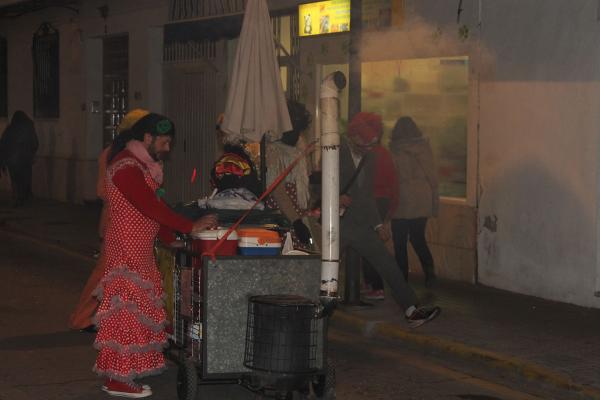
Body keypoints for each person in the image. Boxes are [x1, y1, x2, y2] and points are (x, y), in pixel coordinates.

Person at [93, 112, 217, 398]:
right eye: (164, 142)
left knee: (135, 315)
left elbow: (153, 212)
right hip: (126, 252)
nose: (168, 148)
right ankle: (118, 379)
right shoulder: (125, 166)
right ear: (147, 138)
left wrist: (172, 239)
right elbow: (148, 205)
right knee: (126, 315)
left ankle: (123, 375)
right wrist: (189, 225)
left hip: (139, 251)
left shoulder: (141, 165)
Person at [339, 112, 440, 328]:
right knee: (322, 270)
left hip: (360, 224)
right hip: (336, 224)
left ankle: (411, 310)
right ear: (354, 134)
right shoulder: (335, 151)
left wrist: (378, 224)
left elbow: (366, 195)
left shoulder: (371, 156)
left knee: (387, 263)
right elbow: (318, 182)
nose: (369, 147)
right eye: (365, 141)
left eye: (373, 142)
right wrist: (334, 197)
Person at [68, 109, 150, 332]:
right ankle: (81, 317)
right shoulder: (117, 154)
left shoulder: (123, 153)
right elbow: (103, 190)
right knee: (104, 273)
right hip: (118, 221)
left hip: (122, 221)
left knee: (122, 274)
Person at [347, 113, 399, 301]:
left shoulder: (369, 154)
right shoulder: (384, 153)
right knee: (371, 244)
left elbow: (365, 185)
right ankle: (372, 284)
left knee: (369, 246)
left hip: (372, 202)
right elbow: (394, 185)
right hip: (382, 201)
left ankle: (376, 286)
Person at [389, 116, 439, 287]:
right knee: (418, 238)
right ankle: (430, 273)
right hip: (421, 198)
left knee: (399, 241)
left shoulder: (393, 150)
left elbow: (391, 177)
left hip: (401, 200)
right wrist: (433, 200)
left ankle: (401, 279)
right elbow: (432, 176)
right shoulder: (424, 148)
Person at [265, 99, 316, 251]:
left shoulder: (299, 145)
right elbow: (277, 190)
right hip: (281, 217)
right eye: (293, 129)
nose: (296, 134)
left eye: (298, 129)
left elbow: (305, 180)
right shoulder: (272, 151)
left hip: (299, 215)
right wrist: (296, 222)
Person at [0, 111, 38, 207]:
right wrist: (32, 153)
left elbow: (3, 144)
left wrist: (3, 162)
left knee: (15, 179)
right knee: (24, 178)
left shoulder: (10, 129)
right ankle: (23, 197)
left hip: (12, 159)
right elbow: (35, 143)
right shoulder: (29, 128)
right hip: (25, 159)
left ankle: (16, 197)